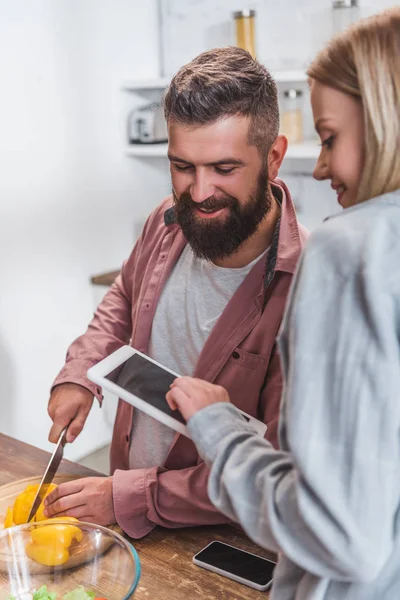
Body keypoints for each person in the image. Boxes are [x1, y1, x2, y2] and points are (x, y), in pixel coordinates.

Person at [166, 7, 400, 599]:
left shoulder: (348, 251)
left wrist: (218, 428)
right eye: (182, 166)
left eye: (331, 137)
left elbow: (337, 533)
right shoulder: (162, 226)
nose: (320, 169)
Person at [43, 47, 308, 537]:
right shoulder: (166, 219)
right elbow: (124, 296)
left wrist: (129, 496)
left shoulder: (309, 287)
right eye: (182, 166)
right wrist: (81, 372)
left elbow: (281, 469)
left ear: (273, 158)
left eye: (224, 169)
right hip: (123, 510)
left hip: (222, 537)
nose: (200, 192)